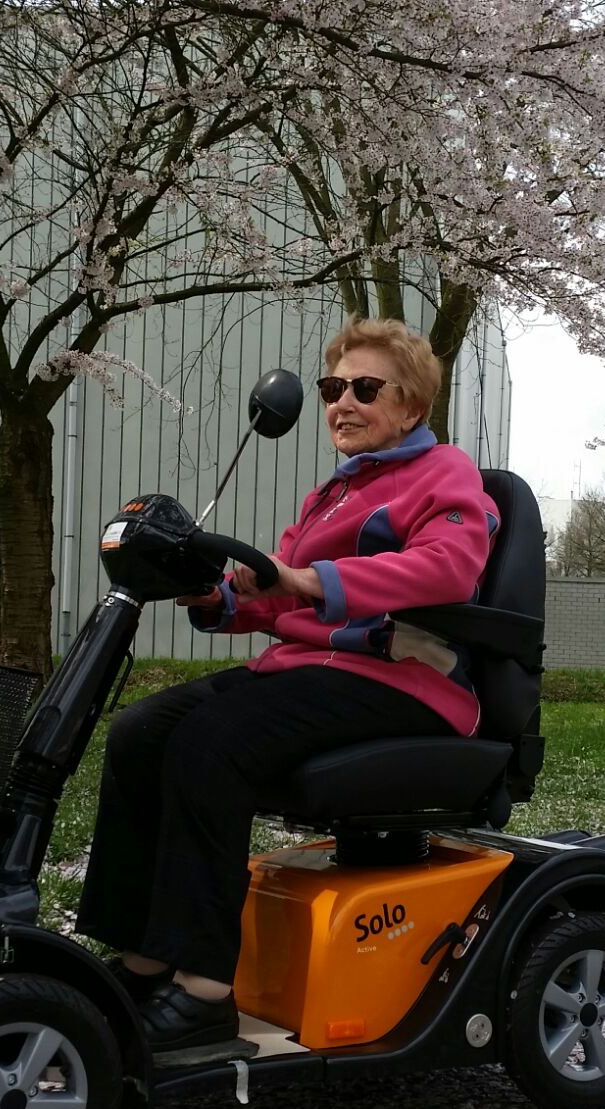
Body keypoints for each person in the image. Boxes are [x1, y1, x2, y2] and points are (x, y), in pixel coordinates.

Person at [75, 318, 499, 1055]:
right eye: (333, 389)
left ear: (410, 406)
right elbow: (282, 597)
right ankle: (143, 958)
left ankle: (203, 989)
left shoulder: (446, 473)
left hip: (399, 679)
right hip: (306, 671)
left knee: (212, 743)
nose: (342, 403)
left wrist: (305, 579)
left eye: (365, 389)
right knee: (140, 733)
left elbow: (449, 567)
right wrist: (221, 598)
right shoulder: (333, 493)